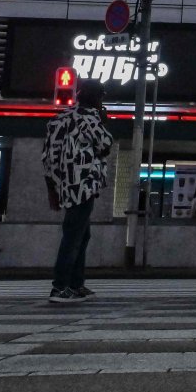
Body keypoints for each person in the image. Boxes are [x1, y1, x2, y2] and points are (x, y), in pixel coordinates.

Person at [43, 79, 113, 304]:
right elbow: (105, 145)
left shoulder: (60, 117)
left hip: (63, 183)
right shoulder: (90, 117)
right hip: (83, 184)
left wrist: (51, 187)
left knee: (82, 234)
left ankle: (76, 283)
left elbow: (48, 155)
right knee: (73, 235)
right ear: (97, 96)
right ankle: (61, 286)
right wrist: (103, 120)